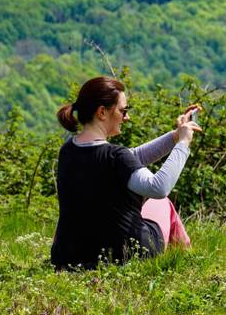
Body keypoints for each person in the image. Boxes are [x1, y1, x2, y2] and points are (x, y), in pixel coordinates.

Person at [50, 76, 201, 270]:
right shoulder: (115, 157)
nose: (127, 117)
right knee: (161, 202)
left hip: (68, 257)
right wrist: (183, 144)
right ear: (102, 112)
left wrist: (175, 135)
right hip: (126, 255)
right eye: (123, 110)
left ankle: (186, 262)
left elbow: (132, 157)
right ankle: (187, 263)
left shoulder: (68, 150)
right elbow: (158, 187)